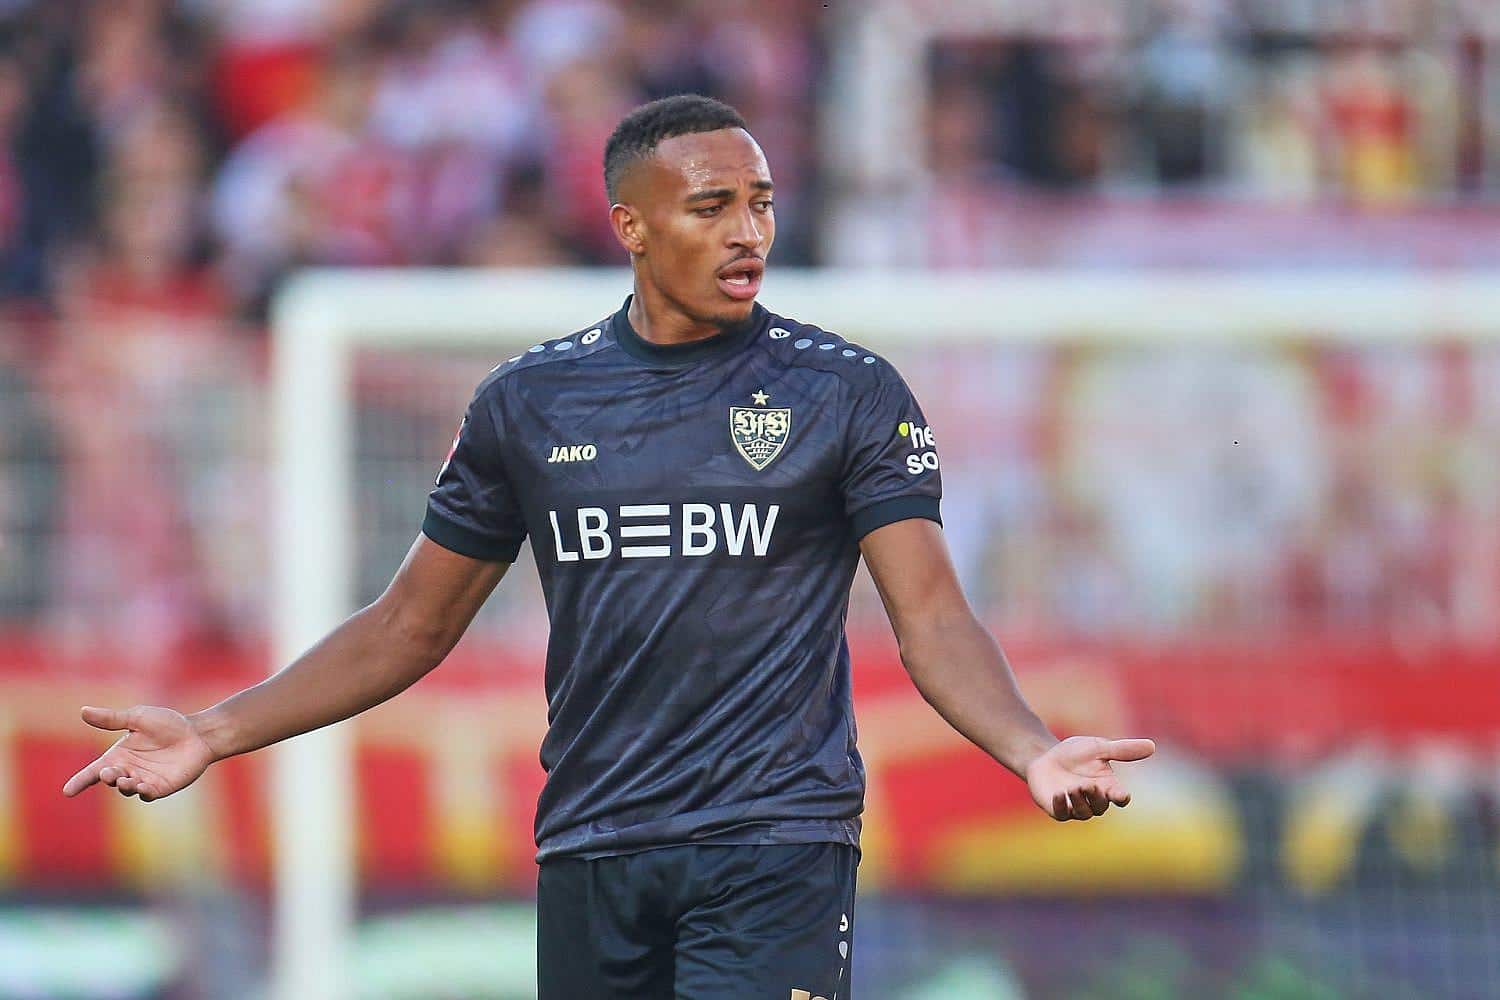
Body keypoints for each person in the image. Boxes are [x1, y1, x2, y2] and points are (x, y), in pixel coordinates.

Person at [63, 94, 1155, 999]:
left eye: (762, 203)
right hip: (593, 844)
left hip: (774, 842)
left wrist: (1030, 749)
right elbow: (409, 623)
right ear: (632, 226)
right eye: (712, 206)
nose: (749, 232)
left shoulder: (845, 392)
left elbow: (934, 617)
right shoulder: (530, 402)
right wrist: (213, 730)